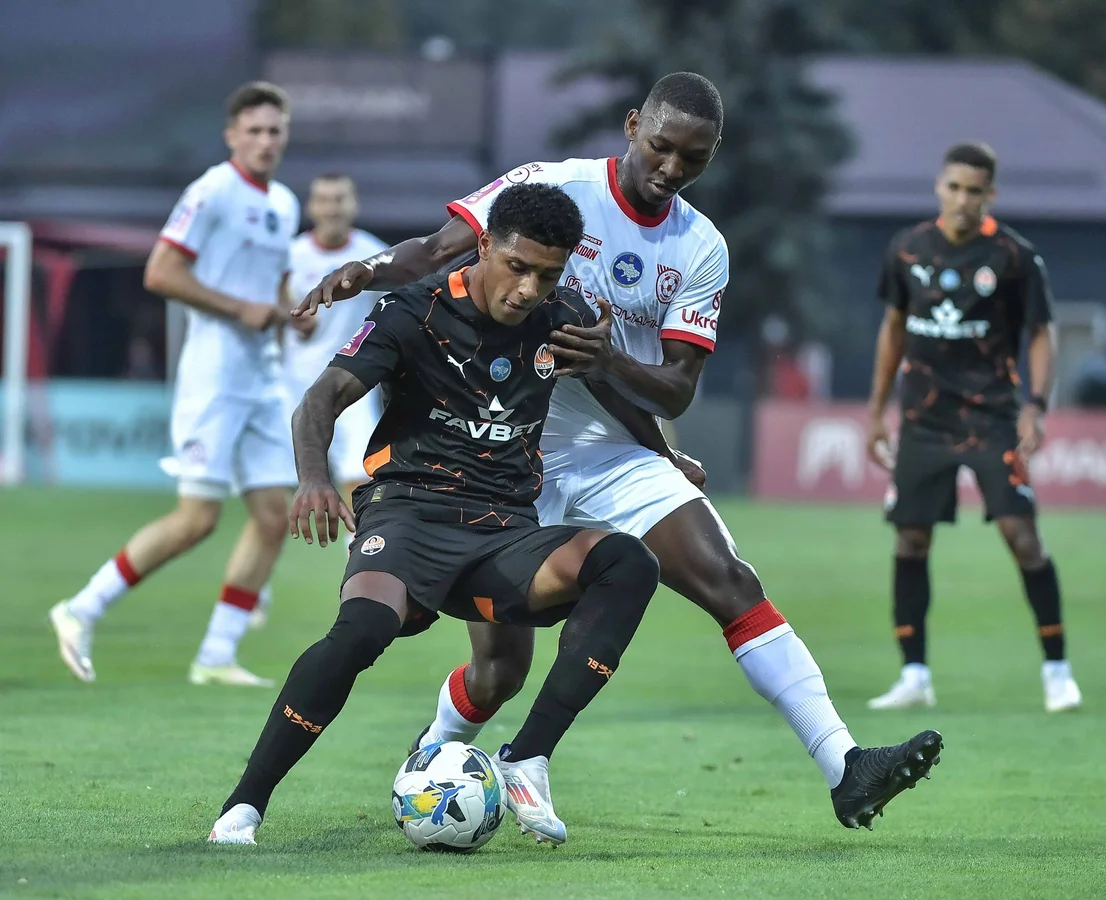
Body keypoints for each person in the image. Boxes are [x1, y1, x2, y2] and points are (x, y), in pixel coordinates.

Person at [296, 72, 942, 830]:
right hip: (503, 457)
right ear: (634, 126)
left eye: (693, 158)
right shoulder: (551, 187)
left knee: (729, 579)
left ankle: (844, 765)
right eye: (661, 147)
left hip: (613, 449)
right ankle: (434, 753)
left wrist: (617, 378)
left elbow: (676, 390)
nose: (671, 168)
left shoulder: (701, 247)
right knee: (500, 670)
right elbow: (437, 251)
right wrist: (367, 271)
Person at [209, 183, 662, 847]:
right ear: (483, 246)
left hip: (504, 530)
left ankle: (527, 757)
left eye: (546, 274)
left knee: (626, 563)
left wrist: (666, 456)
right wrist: (313, 478)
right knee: (361, 631)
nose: (529, 290)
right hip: (409, 513)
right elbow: (321, 398)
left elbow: (610, 393)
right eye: (517, 267)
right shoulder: (412, 312)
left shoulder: (566, 315)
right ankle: (243, 806)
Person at [49, 82, 308, 688]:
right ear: (231, 135)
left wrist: (290, 311)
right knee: (197, 519)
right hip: (214, 375)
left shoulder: (284, 202)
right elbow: (161, 272)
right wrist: (238, 309)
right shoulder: (212, 190)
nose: (265, 141)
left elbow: (271, 282)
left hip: (263, 377)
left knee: (274, 517)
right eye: (254, 130)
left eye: (275, 131)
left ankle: (216, 655)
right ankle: (81, 608)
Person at [865, 142, 1082, 713]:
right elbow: (893, 328)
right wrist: (876, 411)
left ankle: (1058, 671)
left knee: (1022, 537)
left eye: (975, 191)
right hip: (923, 418)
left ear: (991, 195)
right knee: (911, 539)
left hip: (992, 417)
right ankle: (914, 675)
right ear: (940, 187)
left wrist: (1036, 405)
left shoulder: (1014, 256)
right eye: (955, 187)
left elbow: (1041, 333)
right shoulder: (907, 248)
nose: (963, 199)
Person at [251, 174, 390, 629]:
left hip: (352, 389)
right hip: (292, 390)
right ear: (312, 207)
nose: (332, 207)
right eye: (325, 200)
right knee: (272, 497)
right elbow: (268, 312)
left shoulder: (373, 256)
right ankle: (253, 588)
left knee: (360, 482)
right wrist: (287, 320)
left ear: (353, 204)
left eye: (339, 199)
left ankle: (362, 580)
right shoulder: (291, 256)